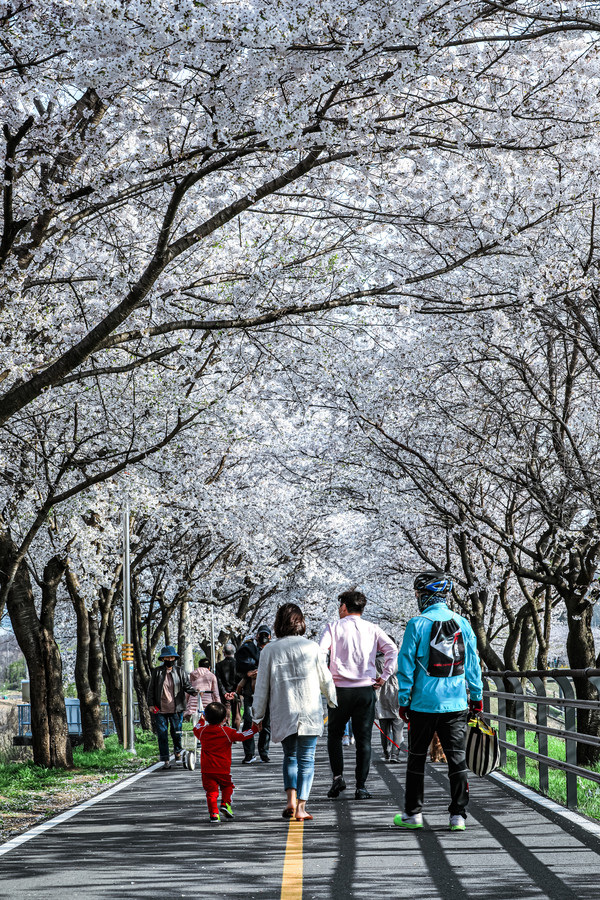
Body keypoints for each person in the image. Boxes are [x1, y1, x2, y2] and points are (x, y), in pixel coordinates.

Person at [395, 571, 483, 831]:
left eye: (418, 594)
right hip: (456, 702)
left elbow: (406, 664)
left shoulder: (417, 624)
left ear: (425, 596)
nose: (417, 598)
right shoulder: (462, 623)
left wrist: (403, 699)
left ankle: (414, 814)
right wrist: (476, 697)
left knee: (417, 758)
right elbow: (473, 664)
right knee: (457, 759)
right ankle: (458, 816)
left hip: (423, 703)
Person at [252, 603, 337, 821]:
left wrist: (257, 716)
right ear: (301, 622)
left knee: (289, 756)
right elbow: (325, 679)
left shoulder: (269, 650)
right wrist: (332, 701)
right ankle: (301, 807)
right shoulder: (312, 647)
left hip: (284, 709)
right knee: (306, 759)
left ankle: (290, 800)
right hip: (309, 711)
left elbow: (261, 686)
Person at [319, 589, 397, 800]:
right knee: (364, 740)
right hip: (365, 690)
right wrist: (384, 677)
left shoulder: (333, 627)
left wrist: (326, 678)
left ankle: (338, 778)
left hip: (340, 690)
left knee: (334, 735)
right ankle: (361, 786)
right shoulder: (373, 628)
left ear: (344, 607)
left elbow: (320, 654)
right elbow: (392, 650)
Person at [193, 701, 259, 823]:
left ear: (206, 717)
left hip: (207, 770)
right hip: (223, 769)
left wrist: (201, 721)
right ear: (224, 719)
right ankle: (225, 803)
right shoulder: (227, 732)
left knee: (211, 792)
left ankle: (214, 814)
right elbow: (242, 736)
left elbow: (195, 728)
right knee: (228, 786)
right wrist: (254, 729)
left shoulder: (202, 732)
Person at [146, 645, 198, 769]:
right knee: (162, 734)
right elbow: (151, 689)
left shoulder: (180, 671)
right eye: (167, 657)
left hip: (176, 708)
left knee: (176, 732)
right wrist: (151, 704)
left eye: (172, 657)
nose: (170, 659)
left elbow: (186, 686)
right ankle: (165, 759)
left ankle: (178, 752)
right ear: (163, 659)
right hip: (160, 709)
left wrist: (194, 691)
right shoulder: (157, 672)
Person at [235, 624, 272, 763]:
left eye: (266, 635)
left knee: (266, 724)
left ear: (270, 637)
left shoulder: (273, 650)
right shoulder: (247, 648)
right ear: (257, 636)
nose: (263, 637)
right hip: (251, 691)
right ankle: (249, 754)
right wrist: (248, 673)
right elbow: (239, 668)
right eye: (261, 634)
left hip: (268, 692)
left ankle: (264, 752)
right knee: (249, 721)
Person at [375, 651, 404, 763]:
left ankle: (385, 750)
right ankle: (394, 754)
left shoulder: (376, 661)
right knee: (398, 727)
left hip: (381, 696)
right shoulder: (398, 660)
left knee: (384, 728)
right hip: (396, 695)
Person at [216, 643, 241, 729]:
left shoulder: (219, 665)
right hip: (237, 692)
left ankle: (227, 731)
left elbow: (218, 681)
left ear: (223, 652)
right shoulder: (238, 663)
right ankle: (236, 733)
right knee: (237, 712)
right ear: (234, 652)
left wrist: (224, 692)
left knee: (226, 713)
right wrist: (235, 692)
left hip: (225, 692)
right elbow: (240, 679)